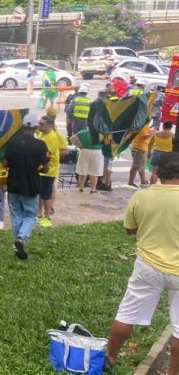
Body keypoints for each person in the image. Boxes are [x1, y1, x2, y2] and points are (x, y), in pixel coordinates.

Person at [104, 152, 179, 374]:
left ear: (156, 170)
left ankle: (109, 357)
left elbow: (130, 229)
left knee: (127, 313)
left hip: (148, 266)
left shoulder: (141, 197)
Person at [2, 113, 49, 260]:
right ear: (36, 128)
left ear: (23, 126)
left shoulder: (12, 142)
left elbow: (4, 163)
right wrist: (38, 168)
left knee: (16, 215)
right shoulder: (41, 145)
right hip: (32, 185)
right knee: (29, 215)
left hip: (13, 184)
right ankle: (21, 238)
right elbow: (46, 168)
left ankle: (17, 247)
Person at [36, 116, 68, 227]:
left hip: (48, 170)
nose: (39, 126)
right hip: (41, 170)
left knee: (46, 195)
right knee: (39, 193)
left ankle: (47, 217)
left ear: (50, 125)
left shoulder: (51, 137)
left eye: (41, 124)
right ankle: (39, 213)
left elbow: (47, 155)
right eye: (39, 123)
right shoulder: (42, 134)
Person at [70, 128, 104, 194]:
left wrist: (79, 146)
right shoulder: (101, 133)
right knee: (94, 172)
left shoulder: (83, 133)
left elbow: (72, 139)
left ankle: (81, 188)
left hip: (84, 151)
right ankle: (93, 189)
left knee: (82, 171)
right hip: (97, 152)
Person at [128, 123, 153, 188]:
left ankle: (143, 180)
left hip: (139, 147)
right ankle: (131, 182)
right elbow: (145, 136)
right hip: (140, 148)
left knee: (140, 165)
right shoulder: (143, 125)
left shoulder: (142, 124)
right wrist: (153, 133)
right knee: (136, 165)